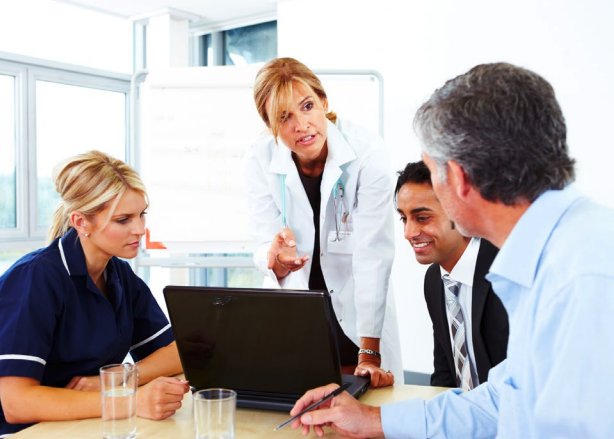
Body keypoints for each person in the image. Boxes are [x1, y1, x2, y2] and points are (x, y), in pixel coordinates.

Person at [289, 62, 614, 438]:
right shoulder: (557, 252)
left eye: (432, 169)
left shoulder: (585, 277)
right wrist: (373, 421)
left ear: (457, 178)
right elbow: (506, 402)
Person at [0, 151, 189, 437]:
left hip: (87, 426)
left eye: (141, 215)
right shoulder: (36, 277)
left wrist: (118, 379)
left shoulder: (119, 275)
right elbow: (16, 402)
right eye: (123, 220)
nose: (139, 229)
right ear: (81, 222)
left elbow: (178, 352)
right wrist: (129, 400)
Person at [246, 57, 402, 386]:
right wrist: (275, 260)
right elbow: (262, 241)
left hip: (359, 311)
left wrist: (370, 351)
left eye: (307, 106)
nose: (301, 125)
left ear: (324, 102)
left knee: (363, 412)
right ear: (270, 124)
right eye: (283, 117)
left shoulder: (367, 152)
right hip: (297, 312)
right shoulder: (260, 156)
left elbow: (372, 252)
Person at [395, 161, 508, 390]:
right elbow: (445, 375)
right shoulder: (435, 279)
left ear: (460, 211)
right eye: (404, 218)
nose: (408, 233)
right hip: (463, 418)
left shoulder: (504, 271)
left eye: (422, 218)